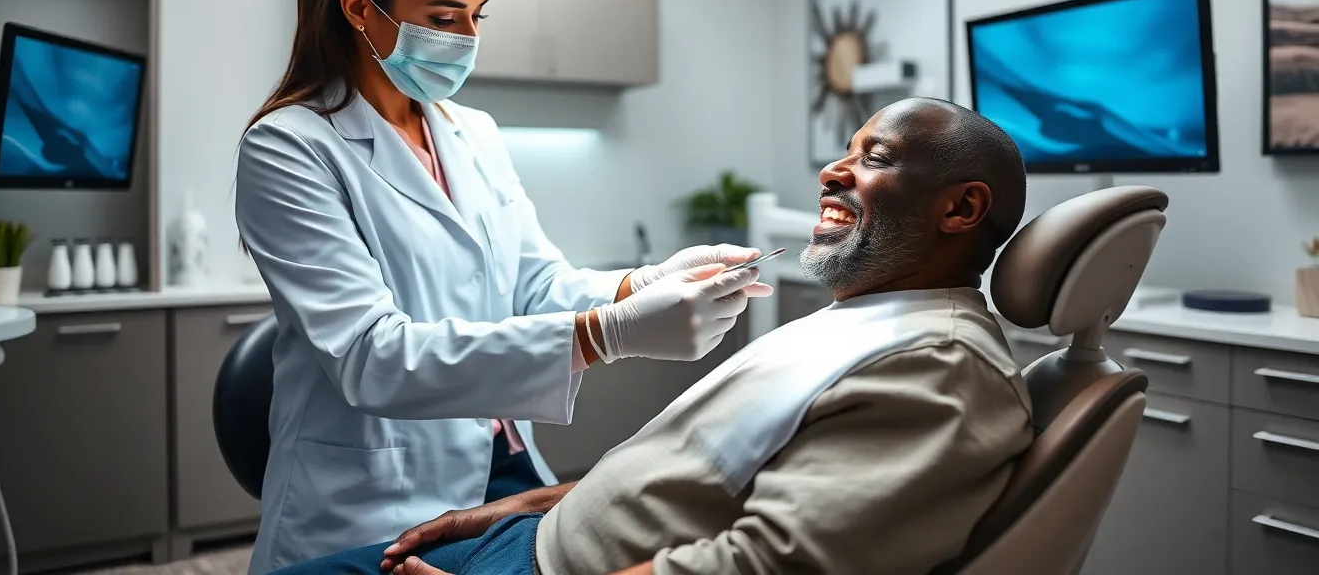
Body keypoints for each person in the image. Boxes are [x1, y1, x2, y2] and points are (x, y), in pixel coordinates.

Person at [234, 0, 772, 574]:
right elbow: (371, 356)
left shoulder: (473, 133)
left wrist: (647, 281)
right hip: (374, 495)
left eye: (476, 16)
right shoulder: (289, 146)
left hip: (500, 465)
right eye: (443, 16)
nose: (465, 39)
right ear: (360, 8)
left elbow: (536, 282)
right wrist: (606, 334)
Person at [271, 97, 1036, 575]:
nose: (833, 172)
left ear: (962, 210)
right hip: (529, 533)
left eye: (873, 158)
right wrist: (524, 507)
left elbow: (765, 564)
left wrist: (620, 310)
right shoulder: (863, 325)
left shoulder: (940, 366)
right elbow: (700, 478)